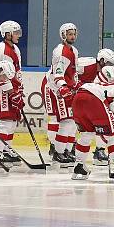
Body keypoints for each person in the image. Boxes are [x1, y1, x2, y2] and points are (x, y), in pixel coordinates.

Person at [70, 81, 114, 182]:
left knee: (86, 135)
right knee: (113, 136)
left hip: (78, 98)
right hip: (94, 99)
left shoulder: (113, 88)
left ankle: (79, 167)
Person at [45, 23, 80, 168]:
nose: (72, 36)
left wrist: (75, 84)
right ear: (63, 35)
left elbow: (73, 71)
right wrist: (63, 87)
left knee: (71, 121)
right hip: (57, 90)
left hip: (66, 88)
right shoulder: (61, 52)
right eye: (69, 34)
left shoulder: (73, 50)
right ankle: (58, 152)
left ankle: (64, 150)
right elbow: (57, 73)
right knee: (66, 121)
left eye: (74, 33)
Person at [0, 20, 25, 167]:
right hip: (3, 91)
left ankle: (5, 150)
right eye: (15, 33)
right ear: (7, 34)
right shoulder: (2, 50)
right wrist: (12, 93)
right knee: (4, 122)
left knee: (11, 121)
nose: (19, 35)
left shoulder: (15, 48)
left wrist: (19, 89)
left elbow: (17, 71)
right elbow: (2, 75)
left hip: (13, 89)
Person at [77, 48, 114, 165]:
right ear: (101, 61)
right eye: (108, 64)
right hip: (60, 89)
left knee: (97, 123)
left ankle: (99, 151)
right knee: (68, 122)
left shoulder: (104, 74)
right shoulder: (86, 65)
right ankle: (58, 148)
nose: (110, 67)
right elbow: (65, 71)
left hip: (82, 97)